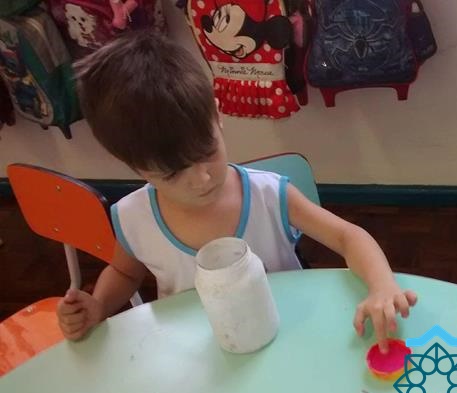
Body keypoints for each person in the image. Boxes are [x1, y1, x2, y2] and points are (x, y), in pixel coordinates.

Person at [56, 32, 416, 353]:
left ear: (217, 116)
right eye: (172, 173)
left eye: (207, 152)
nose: (201, 179)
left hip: (286, 340)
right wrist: (99, 305)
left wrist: (382, 285)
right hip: (203, 355)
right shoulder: (133, 218)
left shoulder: (268, 195)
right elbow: (124, 273)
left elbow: (348, 236)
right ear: (134, 167)